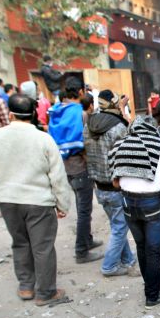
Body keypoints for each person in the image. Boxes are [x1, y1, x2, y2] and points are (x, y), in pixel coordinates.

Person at [0, 94, 72, 306]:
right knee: (43, 247)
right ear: (34, 113)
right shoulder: (44, 139)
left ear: (10, 114)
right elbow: (57, 175)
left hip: (7, 201)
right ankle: (45, 292)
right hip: (39, 202)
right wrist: (62, 203)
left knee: (20, 243)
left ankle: (26, 287)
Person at [109, 116, 160, 307]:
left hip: (128, 203)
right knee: (153, 250)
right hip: (152, 203)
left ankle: (149, 287)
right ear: (153, 129)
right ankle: (152, 296)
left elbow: (115, 183)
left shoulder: (119, 145)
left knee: (141, 246)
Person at [48, 78, 102, 264]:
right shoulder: (81, 113)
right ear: (80, 92)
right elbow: (86, 143)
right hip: (80, 167)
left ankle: (88, 240)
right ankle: (81, 251)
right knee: (84, 210)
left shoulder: (56, 111)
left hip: (64, 166)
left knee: (82, 207)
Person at [84, 89, 137, 277]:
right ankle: (109, 266)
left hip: (98, 186)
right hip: (116, 186)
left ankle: (128, 259)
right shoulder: (118, 127)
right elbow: (134, 139)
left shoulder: (89, 124)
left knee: (117, 226)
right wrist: (124, 110)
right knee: (120, 228)